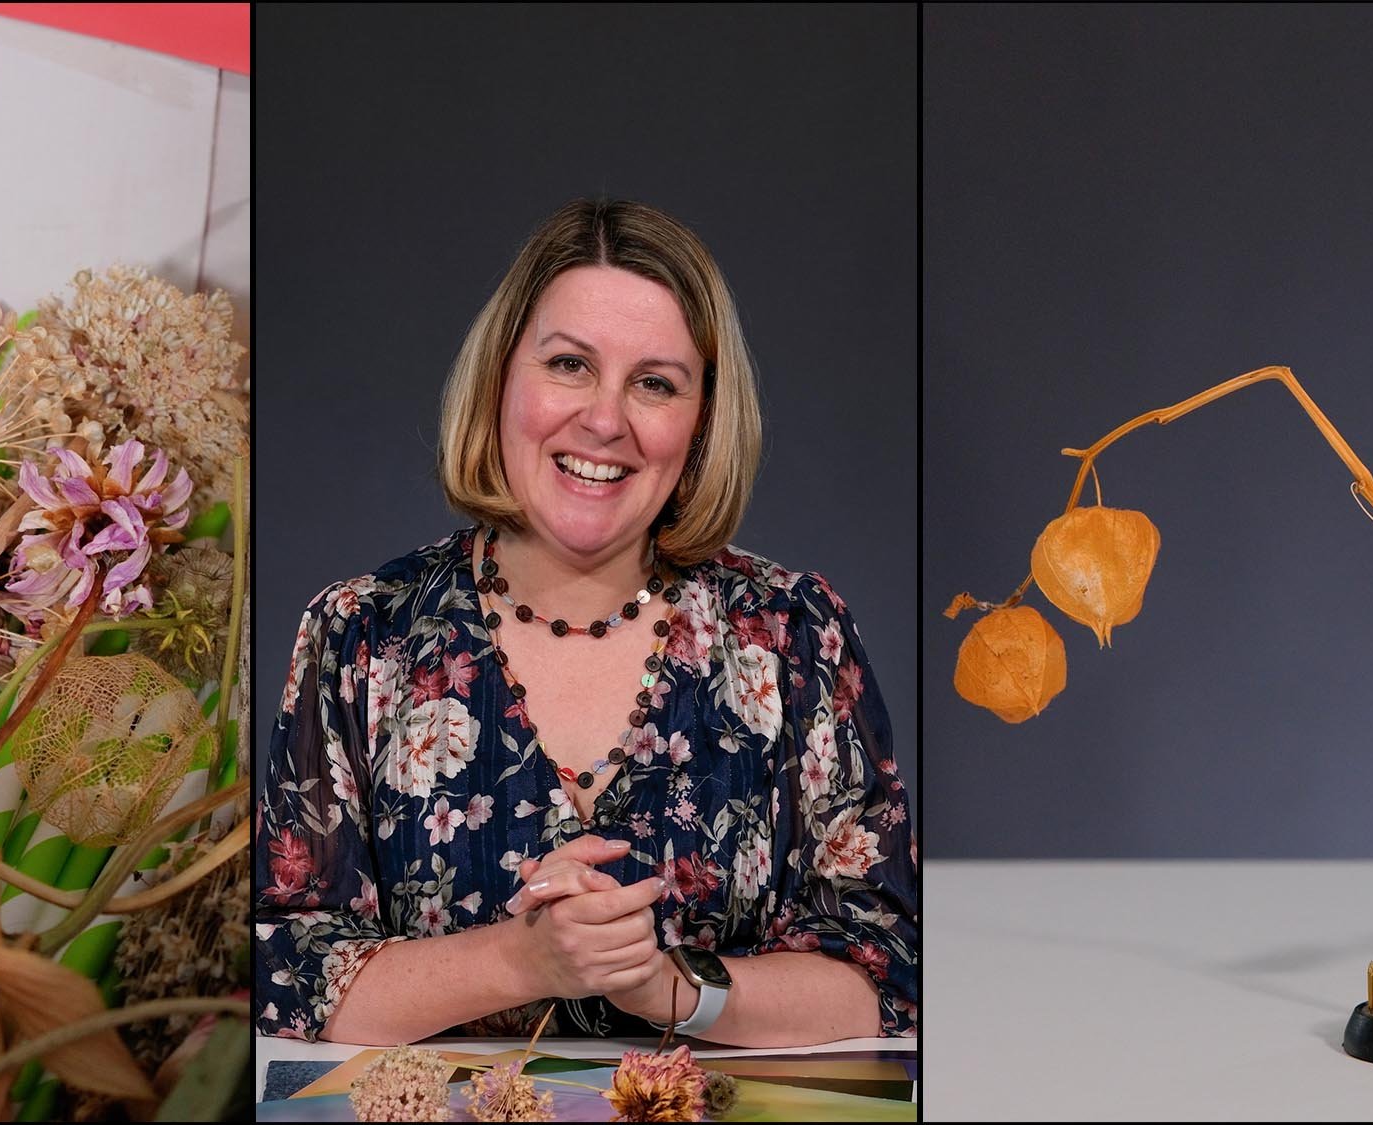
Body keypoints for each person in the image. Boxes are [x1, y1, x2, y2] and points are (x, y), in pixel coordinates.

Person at [256, 197, 915, 1047]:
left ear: (702, 418)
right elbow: (282, 968)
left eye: (655, 383)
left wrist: (672, 987)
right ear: (501, 377)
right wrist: (523, 960)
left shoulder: (793, 633)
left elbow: (886, 972)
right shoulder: (361, 634)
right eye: (569, 364)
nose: (606, 420)